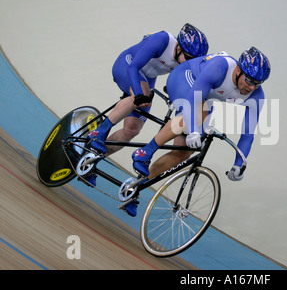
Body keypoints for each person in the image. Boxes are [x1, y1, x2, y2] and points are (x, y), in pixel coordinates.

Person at [128, 47, 271, 216]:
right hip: (185, 77)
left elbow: (248, 134)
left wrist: (239, 164)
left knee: (184, 153)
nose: (251, 87)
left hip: (205, 98)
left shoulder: (256, 96)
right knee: (198, 114)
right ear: (238, 70)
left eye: (257, 83)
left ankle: (134, 187)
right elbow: (192, 101)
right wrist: (194, 131)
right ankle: (145, 152)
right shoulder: (220, 67)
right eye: (249, 80)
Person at [84, 23, 209, 193]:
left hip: (148, 79)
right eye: (188, 58)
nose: (190, 63)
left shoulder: (186, 60)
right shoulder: (163, 40)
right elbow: (134, 67)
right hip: (127, 66)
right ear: (178, 47)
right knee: (141, 93)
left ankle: (90, 160)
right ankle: (98, 132)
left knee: (131, 131)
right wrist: (138, 93)